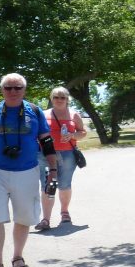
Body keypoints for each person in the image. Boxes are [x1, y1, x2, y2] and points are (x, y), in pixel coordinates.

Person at [0, 74, 57, 267]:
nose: (13, 91)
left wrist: (53, 169)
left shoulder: (35, 111)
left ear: (24, 90)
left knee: (24, 216)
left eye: (17, 87)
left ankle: (17, 257)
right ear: (1, 90)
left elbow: (46, 141)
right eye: (8, 88)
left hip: (27, 171)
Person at [35, 87, 87, 230]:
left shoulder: (74, 115)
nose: (59, 100)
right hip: (45, 155)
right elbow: (35, 133)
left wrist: (72, 135)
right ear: (51, 99)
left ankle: (64, 212)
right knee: (48, 184)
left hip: (67, 154)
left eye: (62, 97)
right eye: (56, 97)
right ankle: (46, 219)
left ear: (67, 99)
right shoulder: (43, 114)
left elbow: (82, 132)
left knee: (64, 185)